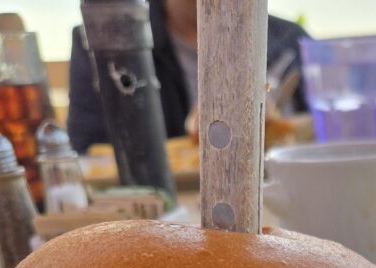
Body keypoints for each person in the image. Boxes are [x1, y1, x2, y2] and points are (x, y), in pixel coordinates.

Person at [66, 0, 308, 154]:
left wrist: (276, 124)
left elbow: (330, 127)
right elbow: (87, 149)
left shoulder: (290, 39)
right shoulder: (106, 41)